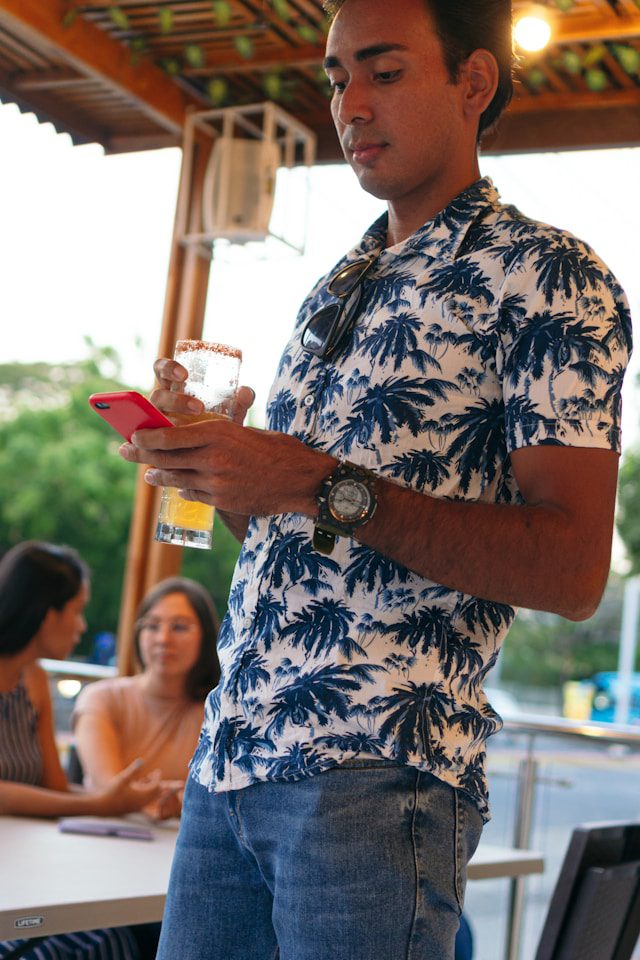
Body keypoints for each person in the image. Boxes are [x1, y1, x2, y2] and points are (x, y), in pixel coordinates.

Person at [119, 1, 633, 958]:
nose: (348, 103)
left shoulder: (545, 275)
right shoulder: (335, 288)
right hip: (228, 761)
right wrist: (231, 475)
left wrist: (311, 480)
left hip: (375, 770)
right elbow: (301, 532)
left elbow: (570, 569)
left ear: (474, 83)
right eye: (335, 77)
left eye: (383, 72)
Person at [0, 541, 161, 960]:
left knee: (114, 941)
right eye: (77, 609)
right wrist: (103, 805)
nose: (82, 626)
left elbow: (53, 786)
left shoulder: (32, 680)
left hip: (21, 871)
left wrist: (123, 800)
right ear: (45, 612)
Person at [73, 576, 220, 821]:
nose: (163, 639)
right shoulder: (100, 698)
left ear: (206, 636)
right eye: (152, 626)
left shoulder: (219, 712)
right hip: (102, 837)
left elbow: (221, 800)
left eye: (179, 627)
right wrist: (179, 801)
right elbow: (110, 791)